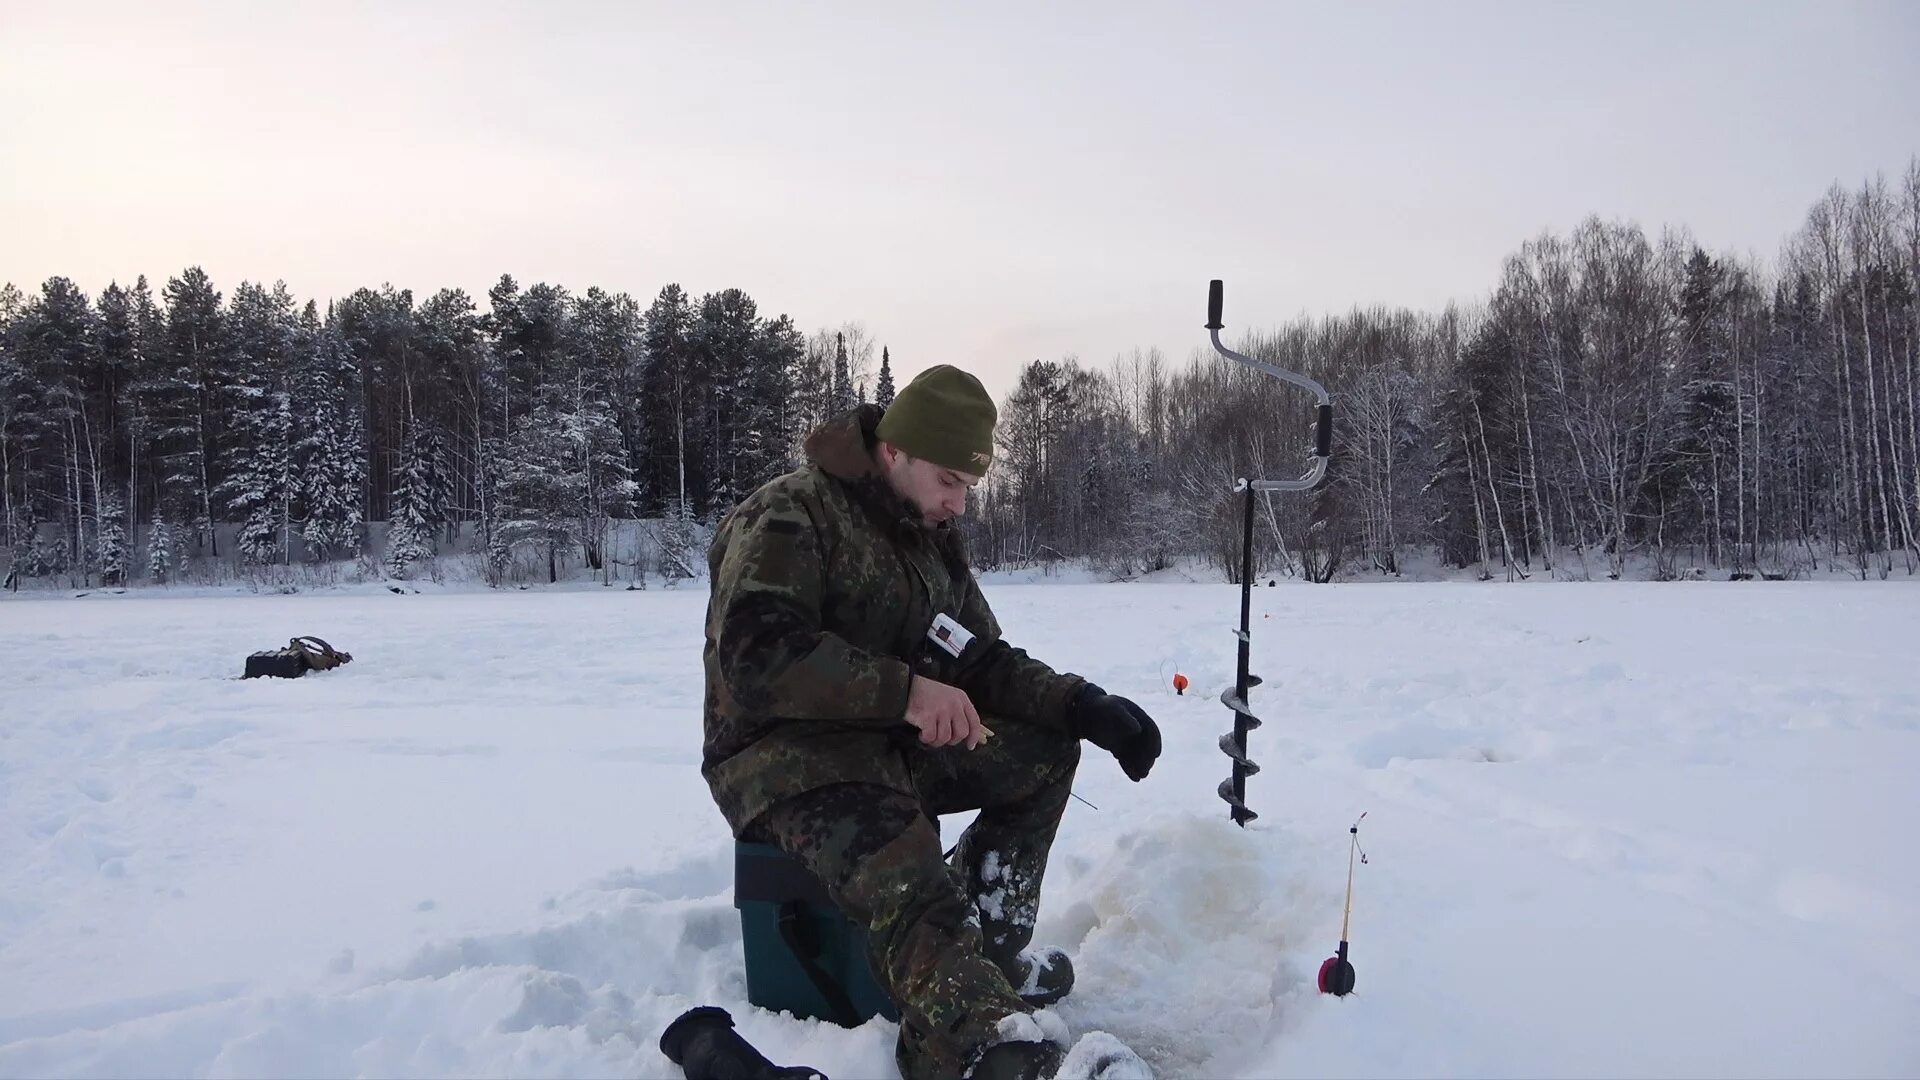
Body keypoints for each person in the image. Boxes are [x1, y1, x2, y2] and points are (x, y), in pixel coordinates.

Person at [702, 365, 1163, 1080]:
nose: (958, 503)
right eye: (949, 480)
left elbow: (977, 658)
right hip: (785, 762)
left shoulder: (927, 538)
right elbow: (756, 657)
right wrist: (909, 693)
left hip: (891, 744)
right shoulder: (792, 515)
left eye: (968, 487)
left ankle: (990, 955)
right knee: (908, 870)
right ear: (895, 453)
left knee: (1042, 753)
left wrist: (1080, 704)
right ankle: (982, 1042)